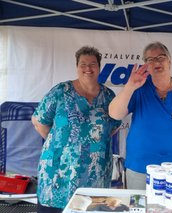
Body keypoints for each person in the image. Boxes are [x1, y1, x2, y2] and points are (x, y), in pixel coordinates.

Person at [108, 41, 172, 189]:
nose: (156, 62)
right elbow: (115, 114)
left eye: (161, 57)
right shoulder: (138, 89)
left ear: (169, 61)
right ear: (146, 65)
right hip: (140, 170)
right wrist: (129, 87)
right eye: (150, 59)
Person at [31, 46, 121, 213]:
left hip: (95, 174)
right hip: (58, 173)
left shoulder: (109, 96)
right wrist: (62, 144)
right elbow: (38, 121)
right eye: (83, 64)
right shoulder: (61, 91)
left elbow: (114, 128)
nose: (88, 68)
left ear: (99, 67)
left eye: (93, 64)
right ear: (77, 67)